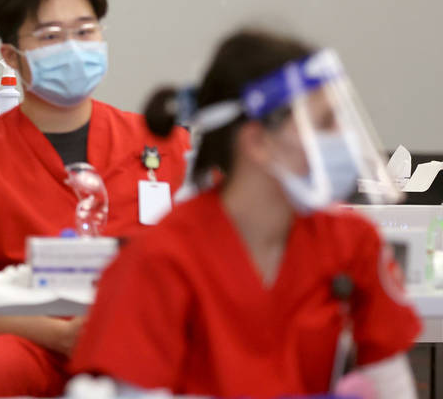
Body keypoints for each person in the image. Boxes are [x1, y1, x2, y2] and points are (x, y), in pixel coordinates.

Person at [71, 28, 421, 398]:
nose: (343, 139)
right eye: (324, 124)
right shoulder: (159, 260)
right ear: (257, 142)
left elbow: (390, 382)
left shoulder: (351, 243)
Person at [0, 0, 191, 399]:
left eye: (85, 30)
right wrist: (59, 335)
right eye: (51, 36)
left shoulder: (163, 144)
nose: (74, 47)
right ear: (12, 56)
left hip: (145, 336)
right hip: (25, 338)